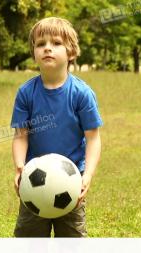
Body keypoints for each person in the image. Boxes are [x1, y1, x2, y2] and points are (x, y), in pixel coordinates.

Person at [10, 17, 103, 237]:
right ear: (34, 53)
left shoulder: (81, 94)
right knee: (28, 240)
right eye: (40, 44)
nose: (47, 48)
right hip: (34, 182)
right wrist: (19, 167)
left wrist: (87, 175)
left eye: (56, 43)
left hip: (71, 182)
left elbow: (93, 138)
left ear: (71, 52)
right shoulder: (26, 93)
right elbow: (21, 135)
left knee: (71, 241)